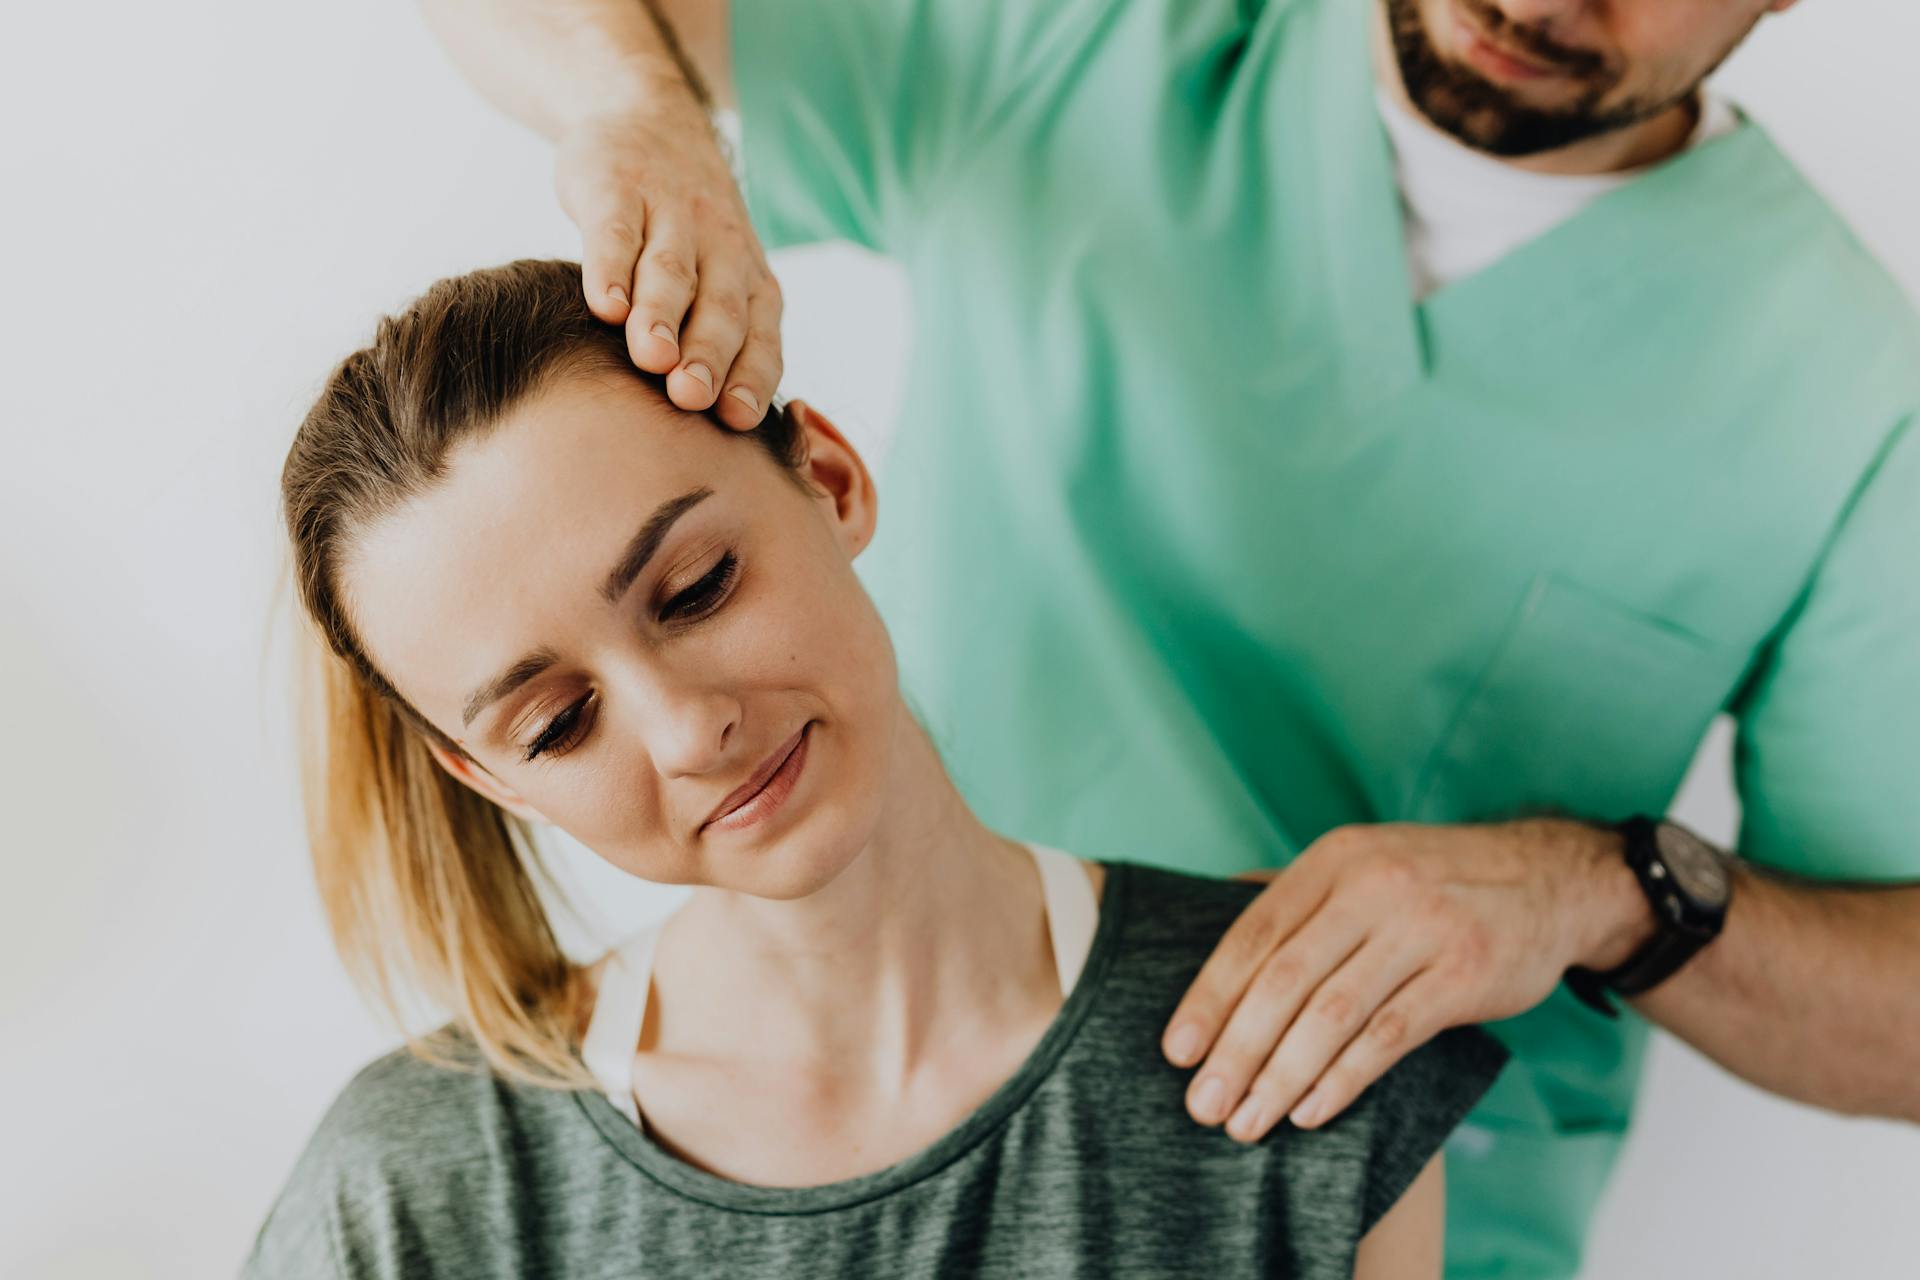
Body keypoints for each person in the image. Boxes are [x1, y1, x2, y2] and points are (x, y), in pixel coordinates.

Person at [417, 0, 1920, 1274]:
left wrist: (1599, 891)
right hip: (860, 1121)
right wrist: (636, 107)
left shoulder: (1849, 395)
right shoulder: (1090, 42)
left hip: (1346, 1204)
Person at [243, 259, 1507, 1278]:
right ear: (494, 780)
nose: (688, 731)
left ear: (831, 481)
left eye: (697, 587)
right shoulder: (414, 1190)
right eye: (559, 722)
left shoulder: (1312, 1028)